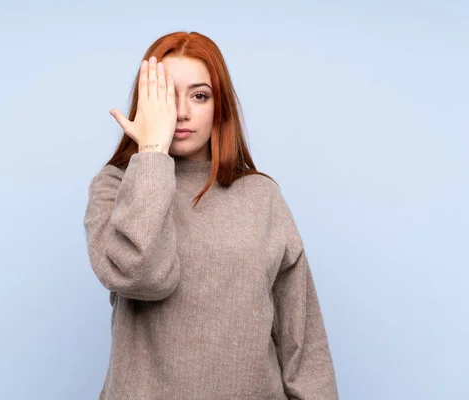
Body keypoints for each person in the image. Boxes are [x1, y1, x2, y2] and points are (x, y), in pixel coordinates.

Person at [84, 31, 339, 400]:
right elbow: (142, 275)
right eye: (166, 96)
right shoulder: (114, 187)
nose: (182, 112)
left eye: (200, 95)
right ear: (148, 104)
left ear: (220, 106)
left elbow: (303, 340)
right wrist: (152, 151)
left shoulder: (261, 196)